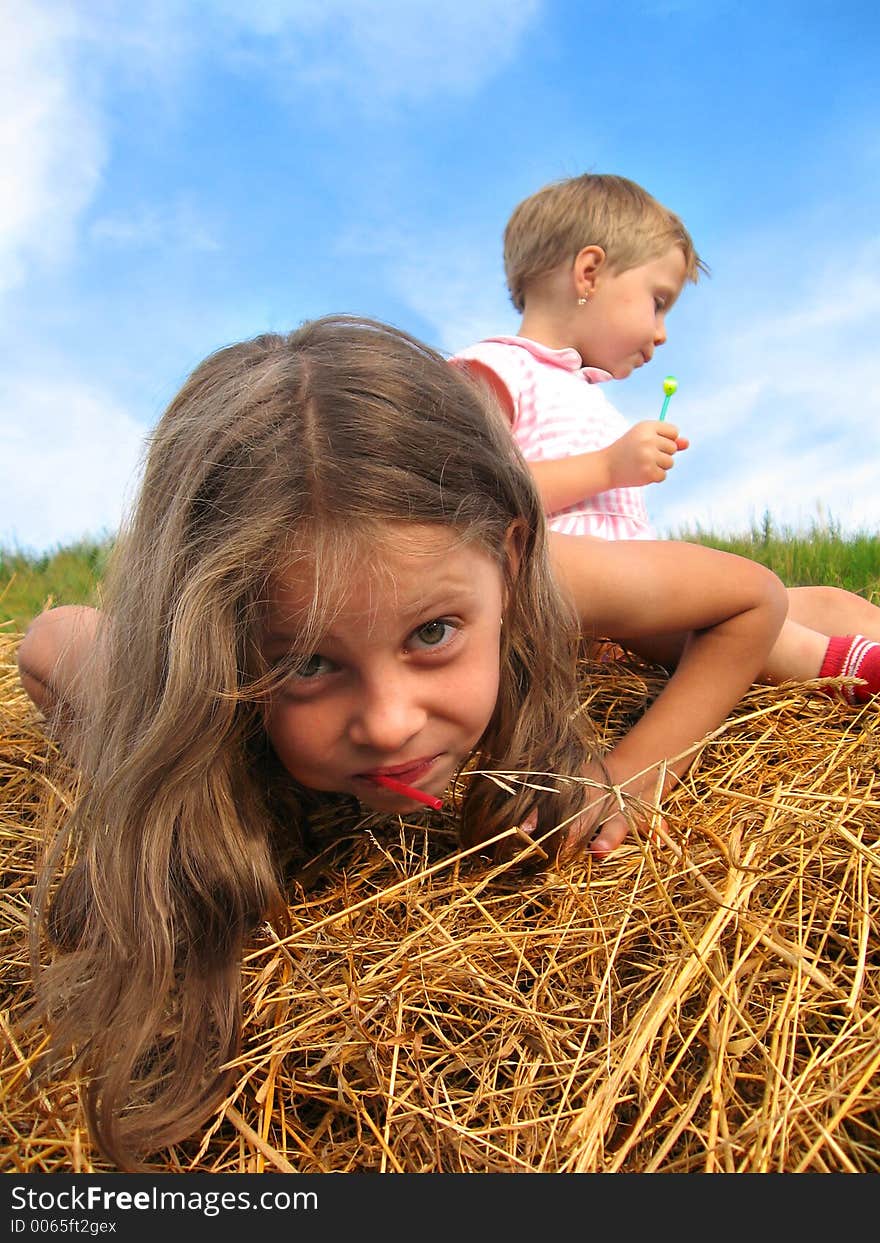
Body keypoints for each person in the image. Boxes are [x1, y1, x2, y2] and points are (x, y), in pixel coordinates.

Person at [15, 314, 786, 1169]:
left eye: (432, 635)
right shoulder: (190, 671)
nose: (387, 721)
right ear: (221, 641)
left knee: (794, 629)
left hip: (597, 609)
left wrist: (633, 772)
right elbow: (48, 646)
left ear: (508, 561)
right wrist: (160, 777)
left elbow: (749, 599)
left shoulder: (538, 575)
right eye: (308, 659)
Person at [454, 172, 880, 704]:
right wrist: (607, 468)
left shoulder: (583, 392)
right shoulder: (492, 369)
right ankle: (849, 673)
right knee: (716, 618)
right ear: (588, 274)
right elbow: (466, 504)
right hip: (563, 609)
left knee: (829, 603)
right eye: (657, 301)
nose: (662, 333)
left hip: (640, 600)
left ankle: (861, 634)